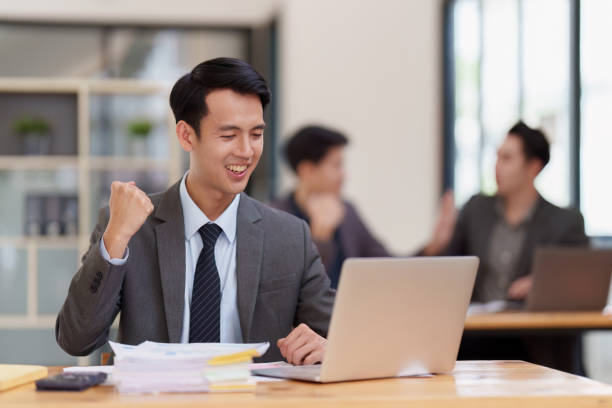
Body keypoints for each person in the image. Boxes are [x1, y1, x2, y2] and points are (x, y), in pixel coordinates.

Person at [56, 58, 335, 365]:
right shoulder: (131, 226)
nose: (245, 151)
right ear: (187, 136)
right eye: (229, 136)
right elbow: (76, 339)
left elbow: (338, 335)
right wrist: (116, 239)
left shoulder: (289, 235)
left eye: (256, 134)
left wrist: (329, 346)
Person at [423, 120, 589, 374]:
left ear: (533, 167)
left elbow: (584, 283)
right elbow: (444, 272)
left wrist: (543, 284)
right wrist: (438, 242)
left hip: (532, 341)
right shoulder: (476, 209)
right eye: (497, 157)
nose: (496, 166)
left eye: (507, 158)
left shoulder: (565, 222)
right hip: (475, 337)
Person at [270, 126, 389, 288]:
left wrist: (432, 248)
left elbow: (385, 263)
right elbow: (290, 289)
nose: (343, 175)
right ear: (308, 171)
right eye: (336, 166)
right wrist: (321, 237)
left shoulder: (347, 211)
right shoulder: (275, 219)